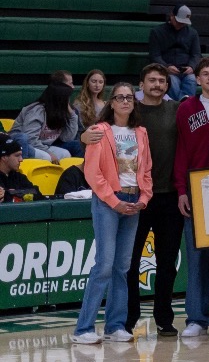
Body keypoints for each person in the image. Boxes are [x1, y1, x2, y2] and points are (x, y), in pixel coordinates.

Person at [73, 82, 149, 345]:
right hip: (108, 202)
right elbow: (92, 172)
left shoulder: (140, 132)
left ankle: (115, 325)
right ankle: (83, 328)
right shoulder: (99, 131)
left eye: (129, 98)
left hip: (134, 201)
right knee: (104, 265)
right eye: (120, 97)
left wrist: (144, 198)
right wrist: (113, 201)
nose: (125, 101)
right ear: (112, 103)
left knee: (123, 267)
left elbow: (146, 171)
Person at [171, 57, 209, 336]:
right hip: (196, 188)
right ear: (197, 79)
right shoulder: (186, 108)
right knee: (197, 256)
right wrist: (181, 190)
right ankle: (196, 318)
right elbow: (181, 151)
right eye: (205, 74)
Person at [122, 64, 183, 336]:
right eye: (152, 80)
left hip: (170, 198)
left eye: (162, 81)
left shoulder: (176, 110)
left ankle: (164, 318)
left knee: (167, 263)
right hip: (136, 197)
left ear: (167, 85)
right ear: (141, 84)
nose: (157, 85)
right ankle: (129, 316)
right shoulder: (130, 112)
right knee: (130, 262)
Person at [15, 75, 81, 160]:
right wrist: (48, 152)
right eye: (66, 98)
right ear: (59, 99)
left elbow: (66, 138)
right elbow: (30, 139)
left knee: (65, 155)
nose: (68, 101)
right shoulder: (37, 110)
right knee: (46, 157)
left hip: (44, 145)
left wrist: (72, 116)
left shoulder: (61, 112)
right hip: (24, 145)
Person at [148, 6, 202, 99]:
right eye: (179, 21)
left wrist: (191, 67)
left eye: (183, 23)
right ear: (172, 16)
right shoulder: (157, 32)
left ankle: (184, 105)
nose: (181, 24)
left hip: (186, 70)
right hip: (167, 69)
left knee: (192, 80)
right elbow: (155, 55)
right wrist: (166, 67)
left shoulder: (192, 33)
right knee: (172, 80)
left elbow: (196, 54)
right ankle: (179, 106)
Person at [0, 135, 34, 201]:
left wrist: (11, 193)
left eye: (21, 155)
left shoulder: (19, 177)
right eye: (17, 155)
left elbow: (36, 192)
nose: (21, 159)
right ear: (4, 157)